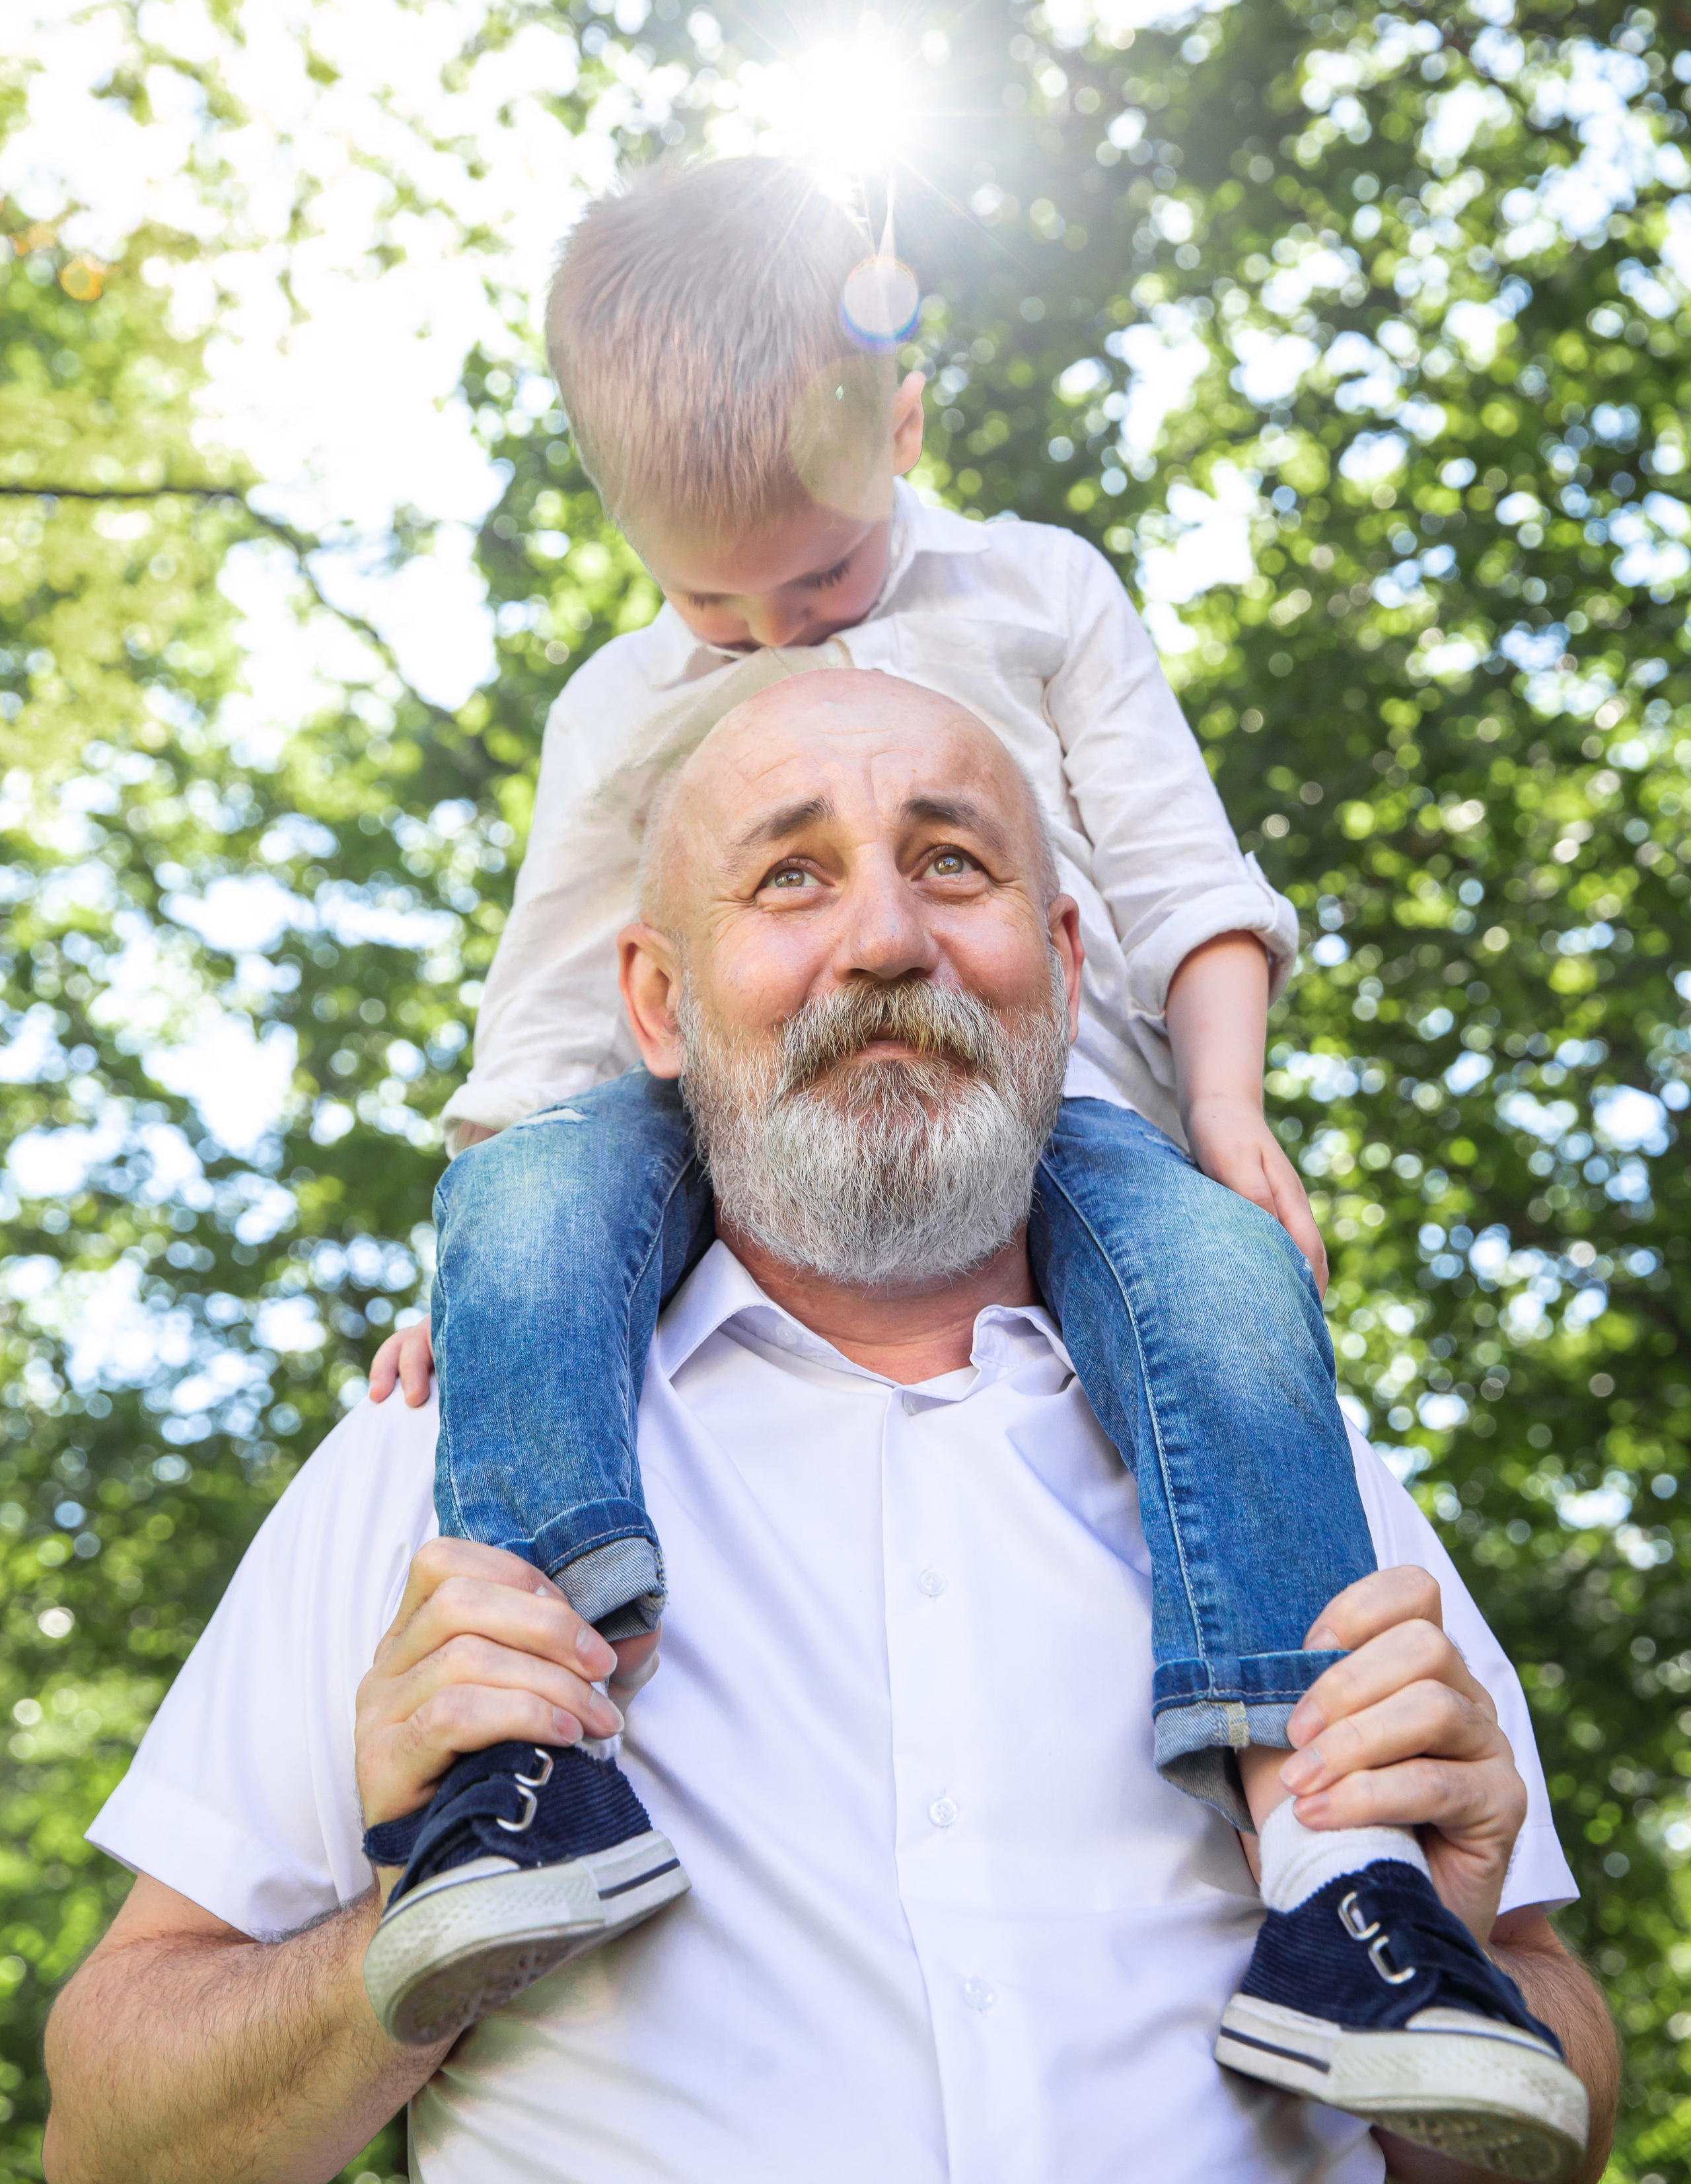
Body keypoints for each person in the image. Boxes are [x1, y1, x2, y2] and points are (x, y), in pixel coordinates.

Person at [44, 673, 1613, 2184]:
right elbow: (108, 2149)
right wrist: (398, 1928)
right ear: (654, 1003)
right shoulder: (431, 1465)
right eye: (790, 877)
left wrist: (1463, 1935)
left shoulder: (1281, 1457)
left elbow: (1561, 2113)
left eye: (950, 862)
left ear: (1065, 964)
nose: (883, 938)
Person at [355, 162, 1549, 2130]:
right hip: (727, 1114)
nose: (762, 638)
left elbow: (1185, 882)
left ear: (902, 423)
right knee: (532, 1195)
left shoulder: (1039, 593)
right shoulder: (620, 707)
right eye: (707, 603)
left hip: (1051, 1108)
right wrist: (469, 1275)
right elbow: (556, 1020)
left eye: (814, 592)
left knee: (1224, 1290)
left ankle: (1341, 1877)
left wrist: (1227, 1112)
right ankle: (529, 1756)